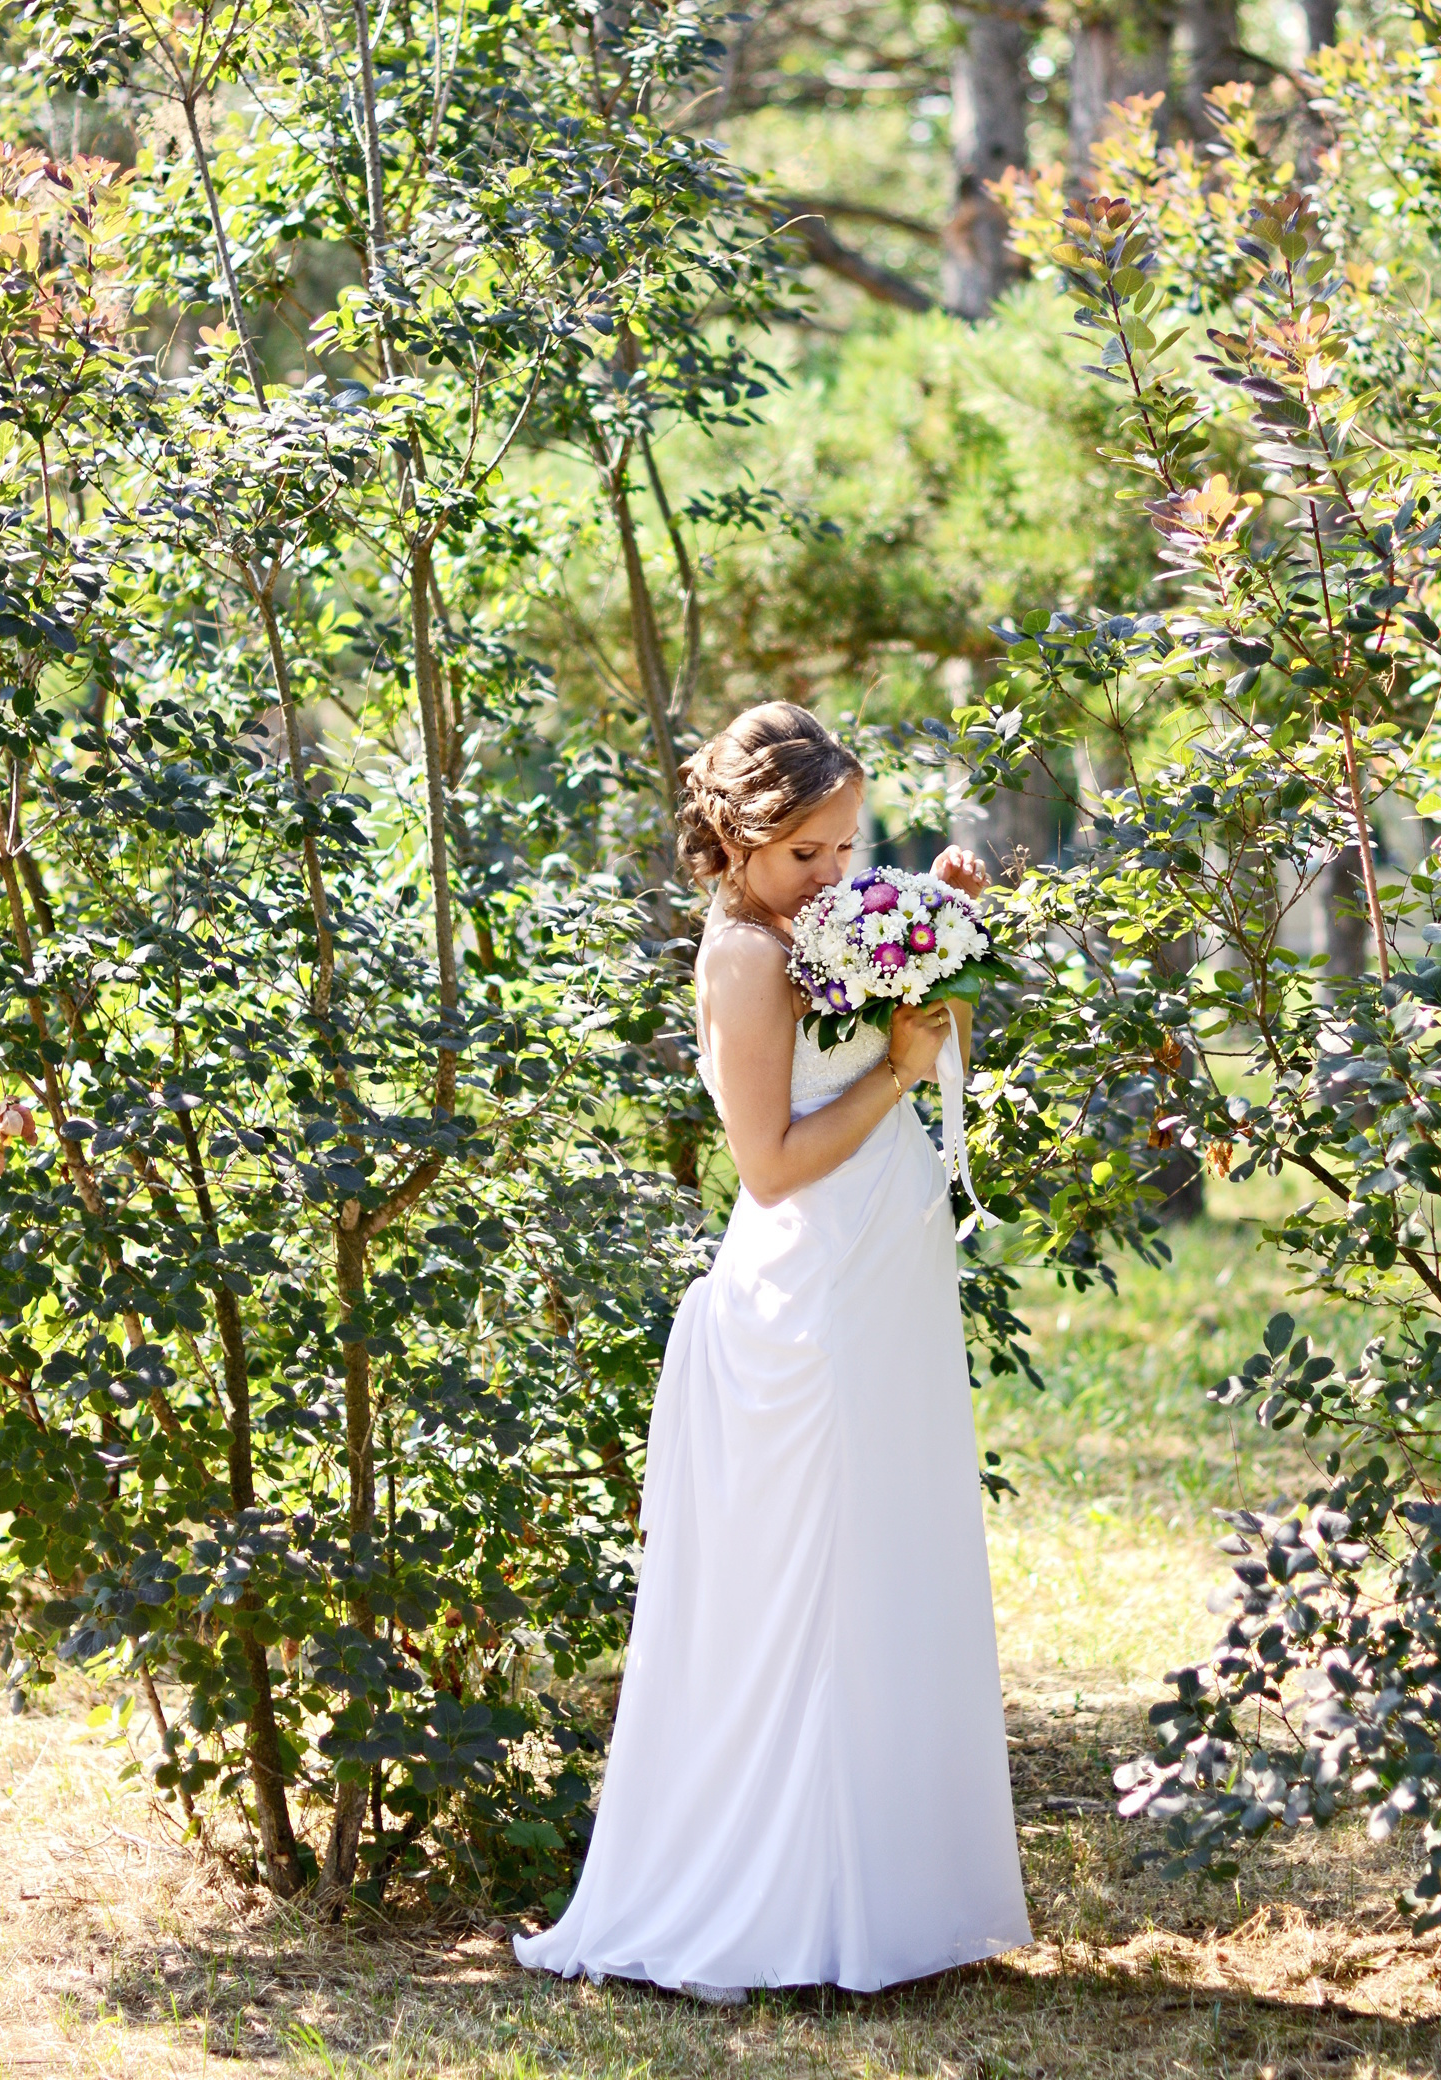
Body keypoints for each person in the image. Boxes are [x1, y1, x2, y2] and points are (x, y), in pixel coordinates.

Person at [514, 700, 1031, 1997]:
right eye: (806, 854)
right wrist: (900, 1070)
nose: (833, 877)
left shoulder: (832, 922)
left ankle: (896, 1906)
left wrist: (947, 936)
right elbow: (773, 1161)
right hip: (810, 1297)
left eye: (849, 849)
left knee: (891, 1572)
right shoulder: (745, 956)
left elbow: (931, 1040)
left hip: (888, 1277)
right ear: (737, 844)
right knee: (814, 1599)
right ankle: (791, 1916)